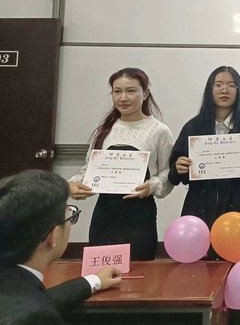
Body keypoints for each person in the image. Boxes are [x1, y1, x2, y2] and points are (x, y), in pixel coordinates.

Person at [0, 169, 122, 325]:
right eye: (70, 215)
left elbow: (31, 300)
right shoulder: (36, 317)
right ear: (53, 236)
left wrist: (94, 281)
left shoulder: (0, 280)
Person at [68, 67, 174, 260]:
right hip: (104, 215)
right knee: (101, 271)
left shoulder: (159, 131)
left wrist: (152, 186)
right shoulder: (104, 131)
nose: (123, 98)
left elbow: (168, 171)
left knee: (139, 272)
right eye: (117, 91)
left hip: (139, 217)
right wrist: (73, 185)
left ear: (145, 93)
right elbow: (89, 171)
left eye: (131, 91)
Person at [168, 65, 240, 253]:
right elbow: (174, 174)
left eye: (231, 85)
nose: (224, 90)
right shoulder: (193, 127)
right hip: (199, 210)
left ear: (238, 91)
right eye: (218, 85)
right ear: (210, 90)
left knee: (236, 259)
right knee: (200, 265)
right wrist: (178, 167)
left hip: (238, 211)